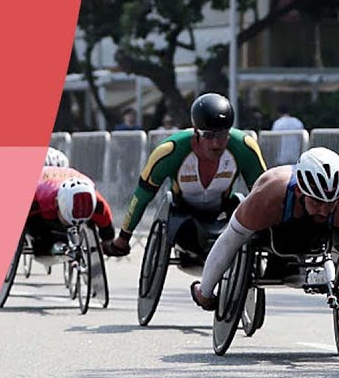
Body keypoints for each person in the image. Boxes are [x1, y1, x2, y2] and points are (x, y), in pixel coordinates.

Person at [190, 147, 339, 311]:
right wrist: (205, 291)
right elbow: (229, 241)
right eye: (317, 202)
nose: (324, 210)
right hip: (274, 228)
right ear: (299, 191)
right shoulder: (266, 199)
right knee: (240, 236)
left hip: (319, 234)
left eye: (331, 203)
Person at [105, 93, 267, 265]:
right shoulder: (170, 151)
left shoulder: (244, 147)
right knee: (189, 234)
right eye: (209, 136)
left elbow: (263, 194)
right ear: (196, 132)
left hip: (223, 215)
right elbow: (142, 196)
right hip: (183, 217)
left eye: (222, 135)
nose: (216, 143)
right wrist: (123, 238)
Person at [28, 166, 116, 256]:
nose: (73, 225)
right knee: (39, 238)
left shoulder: (98, 204)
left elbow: (107, 229)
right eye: (68, 220)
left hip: (66, 179)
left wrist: (108, 242)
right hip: (41, 187)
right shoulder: (37, 199)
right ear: (56, 203)